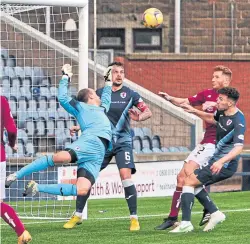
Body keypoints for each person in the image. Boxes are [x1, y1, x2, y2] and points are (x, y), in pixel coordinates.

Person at [63, 62, 152, 231]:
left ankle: (134, 218)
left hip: (122, 142)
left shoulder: (131, 94)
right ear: (109, 75)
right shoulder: (99, 94)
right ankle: (78, 214)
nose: (119, 75)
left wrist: (140, 118)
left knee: (125, 175)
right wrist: (80, 126)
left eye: (121, 72)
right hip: (102, 142)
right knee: (86, 176)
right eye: (115, 72)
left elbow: (148, 111)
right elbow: (91, 116)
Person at [6, 64, 112, 202]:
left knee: (82, 189)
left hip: (99, 153)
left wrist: (108, 81)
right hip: (91, 142)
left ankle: (37, 187)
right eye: (96, 93)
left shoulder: (102, 109)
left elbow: (107, 98)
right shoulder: (80, 107)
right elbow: (62, 98)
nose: (99, 95)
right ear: (91, 95)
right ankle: (16, 175)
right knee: (60, 158)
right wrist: (65, 77)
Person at [155, 65, 232, 230]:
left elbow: (215, 120)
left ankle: (192, 218)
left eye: (217, 77)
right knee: (181, 177)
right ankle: (179, 217)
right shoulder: (207, 94)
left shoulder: (228, 99)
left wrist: (194, 112)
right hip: (205, 142)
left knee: (189, 178)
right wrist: (169, 98)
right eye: (213, 76)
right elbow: (185, 101)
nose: (213, 79)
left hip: (214, 144)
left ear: (225, 80)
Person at [170, 87, 245, 233]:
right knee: (194, 184)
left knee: (188, 181)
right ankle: (215, 213)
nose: (217, 101)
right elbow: (212, 119)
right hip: (216, 161)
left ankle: (186, 223)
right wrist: (195, 111)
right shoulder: (222, 111)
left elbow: (238, 148)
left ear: (230, 103)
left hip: (225, 165)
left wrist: (221, 161)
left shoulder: (238, 120)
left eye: (221, 99)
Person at [0, 95, 32, 244]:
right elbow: (12, 129)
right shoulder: (1, 100)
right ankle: (21, 232)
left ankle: (22, 232)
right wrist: (12, 143)